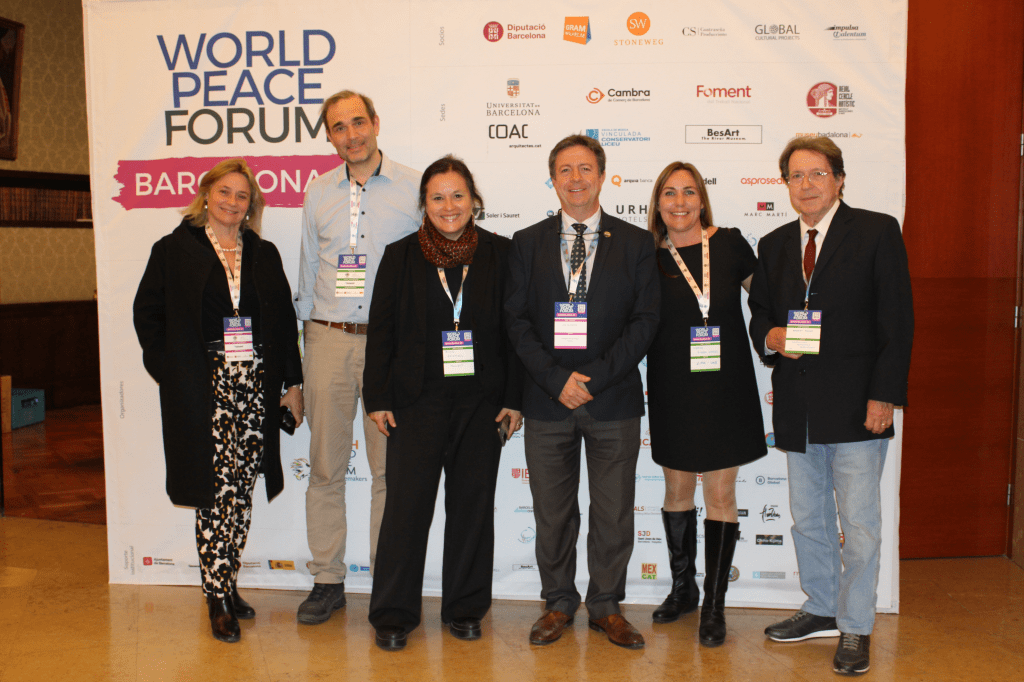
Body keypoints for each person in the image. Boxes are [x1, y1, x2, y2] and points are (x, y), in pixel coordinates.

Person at [748, 137, 913, 676]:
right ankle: (820, 607)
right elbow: (760, 314)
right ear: (785, 185)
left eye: (818, 173)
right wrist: (771, 334)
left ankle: (856, 624)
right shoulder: (774, 244)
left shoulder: (876, 231)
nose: (807, 185)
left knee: (859, 526)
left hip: (858, 407)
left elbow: (896, 320)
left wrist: (884, 395)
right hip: (798, 407)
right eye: (796, 176)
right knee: (808, 519)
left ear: (839, 179)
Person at [133, 158, 303, 643]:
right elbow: (147, 314)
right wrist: (172, 372)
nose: (232, 201)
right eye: (224, 192)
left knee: (241, 489)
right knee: (215, 492)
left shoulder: (263, 253)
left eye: (242, 195)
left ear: (251, 206)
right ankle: (216, 596)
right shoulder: (173, 250)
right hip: (202, 388)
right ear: (206, 195)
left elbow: (283, 323)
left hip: (255, 385)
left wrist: (292, 383)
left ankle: (228, 582)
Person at [362, 155, 524, 651]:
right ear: (424, 204)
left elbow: (517, 331)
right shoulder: (400, 256)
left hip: (482, 403)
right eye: (437, 197)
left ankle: (465, 608)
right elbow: (381, 331)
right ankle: (393, 613)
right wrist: (378, 397)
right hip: (416, 402)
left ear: (474, 200)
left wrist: (514, 398)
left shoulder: (500, 252)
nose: (448, 206)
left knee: (472, 508)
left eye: (457, 195)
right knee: (405, 511)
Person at [505, 134, 660, 649]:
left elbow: (645, 322)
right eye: (565, 170)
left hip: (612, 399)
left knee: (613, 510)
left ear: (602, 175)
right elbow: (516, 321)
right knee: (552, 511)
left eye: (585, 168)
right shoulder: (526, 242)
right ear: (553, 179)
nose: (576, 179)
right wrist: (556, 380)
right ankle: (557, 602)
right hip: (546, 400)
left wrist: (591, 380)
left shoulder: (636, 243)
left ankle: (606, 606)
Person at [294, 90, 421, 624]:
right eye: (339, 127)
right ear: (330, 137)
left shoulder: (414, 187)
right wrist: (300, 355)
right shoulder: (318, 190)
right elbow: (308, 270)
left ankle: (387, 583)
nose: (351, 135)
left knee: (388, 470)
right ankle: (327, 580)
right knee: (325, 466)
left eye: (358, 122)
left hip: (389, 345)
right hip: (327, 338)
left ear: (375, 123)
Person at [645, 162, 767, 647]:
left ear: (702, 199)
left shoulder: (731, 244)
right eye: (670, 193)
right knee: (677, 490)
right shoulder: (647, 256)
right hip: (673, 388)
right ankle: (684, 590)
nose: (680, 202)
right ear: (657, 203)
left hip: (726, 388)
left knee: (720, 495)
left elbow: (768, 301)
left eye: (689, 192)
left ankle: (714, 606)